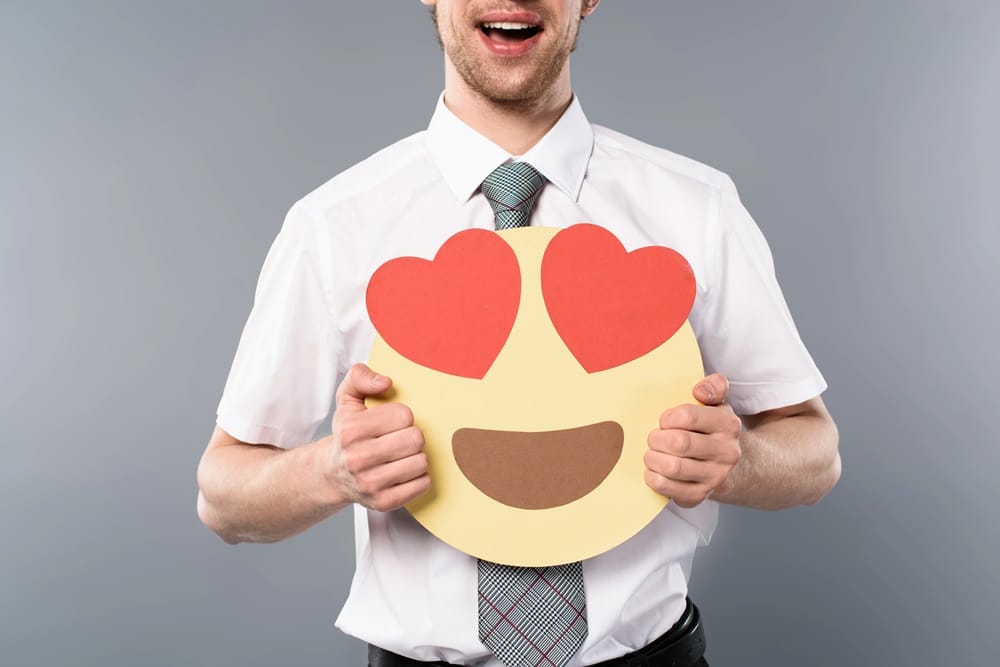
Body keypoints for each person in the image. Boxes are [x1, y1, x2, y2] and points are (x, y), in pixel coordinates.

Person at [196, 1, 841, 665]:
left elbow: (816, 452)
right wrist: (333, 468)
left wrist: (738, 461)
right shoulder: (335, 225)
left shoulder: (695, 207)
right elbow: (223, 496)